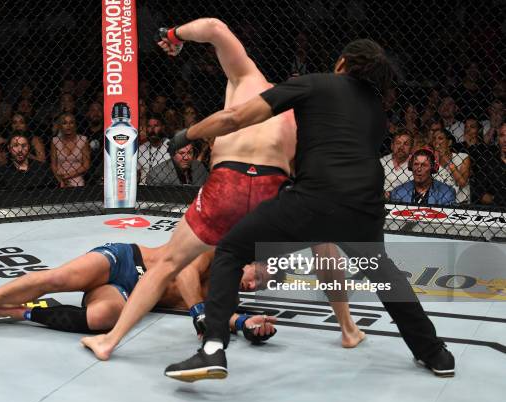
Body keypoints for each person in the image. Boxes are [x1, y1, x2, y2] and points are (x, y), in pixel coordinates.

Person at [162, 38, 454, 381]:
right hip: (366, 203)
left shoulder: (314, 82)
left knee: (230, 249)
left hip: (317, 198)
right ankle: (435, 352)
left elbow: (236, 117)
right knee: (382, 273)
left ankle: (212, 349)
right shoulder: (375, 106)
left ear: (342, 62)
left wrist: (185, 135)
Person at [80, 18, 364, 360]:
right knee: (324, 240)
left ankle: (109, 341)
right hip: (271, 192)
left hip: (227, 185)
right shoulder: (307, 114)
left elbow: (214, 28)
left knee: (169, 262)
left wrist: (172, 36)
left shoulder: (247, 79)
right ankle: (348, 329)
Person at [0, 247, 277, 344]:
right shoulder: (215, 254)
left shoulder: (226, 296)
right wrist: (198, 313)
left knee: (101, 319)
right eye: (255, 276)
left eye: (257, 287)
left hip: (125, 292)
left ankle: (13, 313)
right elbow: (183, 271)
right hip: (127, 260)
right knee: (57, 278)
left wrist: (247, 324)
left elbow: (224, 317)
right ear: (248, 264)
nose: (251, 284)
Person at [390, 148, 456, 205]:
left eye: (424, 165)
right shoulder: (398, 192)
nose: (419, 169)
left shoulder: (446, 193)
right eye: (416, 164)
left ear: (433, 168)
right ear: (411, 167)